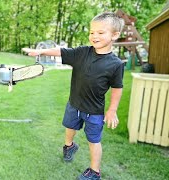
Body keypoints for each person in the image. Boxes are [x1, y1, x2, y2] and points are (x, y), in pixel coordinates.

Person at [22, 12, 124, 180]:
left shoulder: (116, 64)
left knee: (94, 140)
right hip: (74, 104)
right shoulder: (82, 53)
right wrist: (39, 52)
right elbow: (61, 51)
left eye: (100, 32)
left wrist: (112, 110)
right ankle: (69, 146)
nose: (94, 36)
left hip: (94, 111)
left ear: (114, 35)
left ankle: (94, 172)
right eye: (92, 32)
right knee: (70, 127)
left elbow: (117, 87)